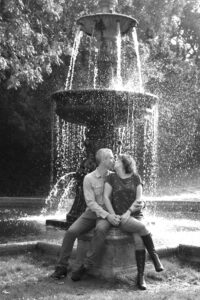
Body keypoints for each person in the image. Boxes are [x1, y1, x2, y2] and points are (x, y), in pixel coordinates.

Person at [50, 148, 121, 280]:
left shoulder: (114, 177)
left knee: (100, 230)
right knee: (71, 231)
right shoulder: (88, 178)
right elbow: (90, 203)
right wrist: (108, 215)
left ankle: (85, 266)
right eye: (110, 158)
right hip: (92, 213)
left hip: (106, 213)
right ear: (103, 160)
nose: (113, 160)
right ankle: (61, 267)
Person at [103, 153, 164, 290]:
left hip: (135, 215)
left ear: (124, 163)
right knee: (142, 228)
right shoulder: (111, 177)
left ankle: (140, 277)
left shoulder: (136, 177)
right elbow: (106, 197)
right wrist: (113, 215)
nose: (115, 161)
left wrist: (129, 212)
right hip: (120, 217)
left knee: (139, 240)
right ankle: (154, 257)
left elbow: (139, 199)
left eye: (117, 160)